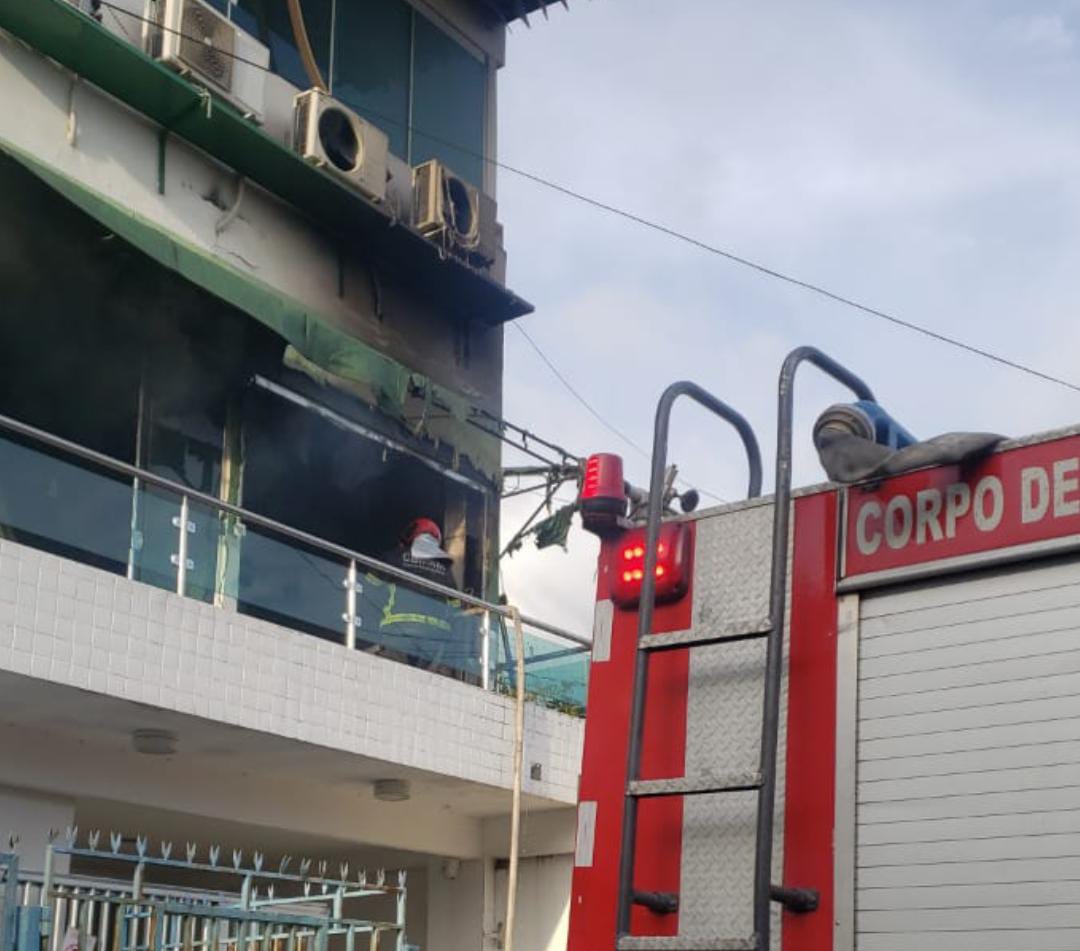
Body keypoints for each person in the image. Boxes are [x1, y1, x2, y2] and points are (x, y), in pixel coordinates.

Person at [359, 518, 480, 682]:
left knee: (389, 682)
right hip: (434, 641)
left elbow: (370, 583)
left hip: (398, 633)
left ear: (412, 536)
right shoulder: (445, 570)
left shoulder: (396, 557)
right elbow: (455, 606)